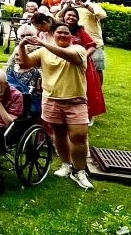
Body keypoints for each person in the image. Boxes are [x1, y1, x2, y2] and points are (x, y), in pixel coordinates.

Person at [17, 21, 93, 190]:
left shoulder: (78, 50)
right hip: (52, 99)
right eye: (59, 33)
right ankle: (66, 164)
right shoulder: (44, 51)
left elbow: (70, 58)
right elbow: (25, 64)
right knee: (58, 134)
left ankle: (79, 171)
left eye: (66, 33)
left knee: (79, 136)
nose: (62, 35)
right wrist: (22, 45)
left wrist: (43, 42)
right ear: (54, 34)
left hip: (76, 100)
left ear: (71, 36)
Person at [60, 6, 106, 121]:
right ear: (64, 16)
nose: (71, 17)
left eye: (74, 16)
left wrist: (83, 57)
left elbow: (92, 46)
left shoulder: (80, 31)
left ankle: (87, 114)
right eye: (69, 15)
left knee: (85, 89)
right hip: (62, 64)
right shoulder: (57, 29)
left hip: (81, 65)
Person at [71, 0, 107, 84]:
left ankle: (99, 92)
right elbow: (58, 18)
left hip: (95, 44)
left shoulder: (93, 6)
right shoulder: (70, 7)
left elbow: (102, 15)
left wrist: (86, 6)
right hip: (75, 44)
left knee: (97, 69)